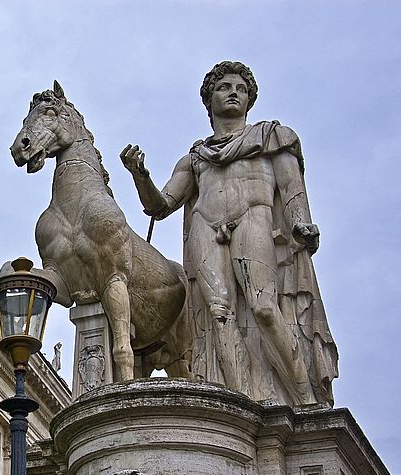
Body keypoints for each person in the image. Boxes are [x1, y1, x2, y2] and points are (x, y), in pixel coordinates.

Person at [120, 61, 337, 407]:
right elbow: (160, 206)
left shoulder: (270, 137)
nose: (233, 92)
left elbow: (291, 187)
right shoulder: (196, 158)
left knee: (264, 307)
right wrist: (139, 175)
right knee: (219, 314)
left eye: (241, 88)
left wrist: (301, 223)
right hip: (207, 225)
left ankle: (304, 398)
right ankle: (241, 404)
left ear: (250, 99)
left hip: (254, 217)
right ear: (209, 100)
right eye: (224, 88)